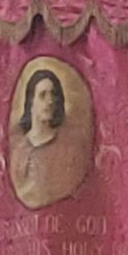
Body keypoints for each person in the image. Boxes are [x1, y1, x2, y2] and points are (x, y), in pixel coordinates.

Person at [8, 67, 91, 209]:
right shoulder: (19, 149)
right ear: (31, 102)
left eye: (53, 94)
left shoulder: (69, 146)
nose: (50, 101)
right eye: (42, 95)